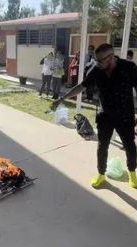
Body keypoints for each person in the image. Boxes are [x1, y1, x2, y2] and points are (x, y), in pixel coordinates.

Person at [52, 43, 137, 189]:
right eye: (96, 60)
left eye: (100, 60)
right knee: (102, 146)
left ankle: (132, 173)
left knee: (130, 146)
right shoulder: (96, 70)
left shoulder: (129, 68)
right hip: (105, 116)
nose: (97, 63)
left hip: (125, 116)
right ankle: (101, 174)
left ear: (110, 58)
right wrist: (62, 98)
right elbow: (82, 86)